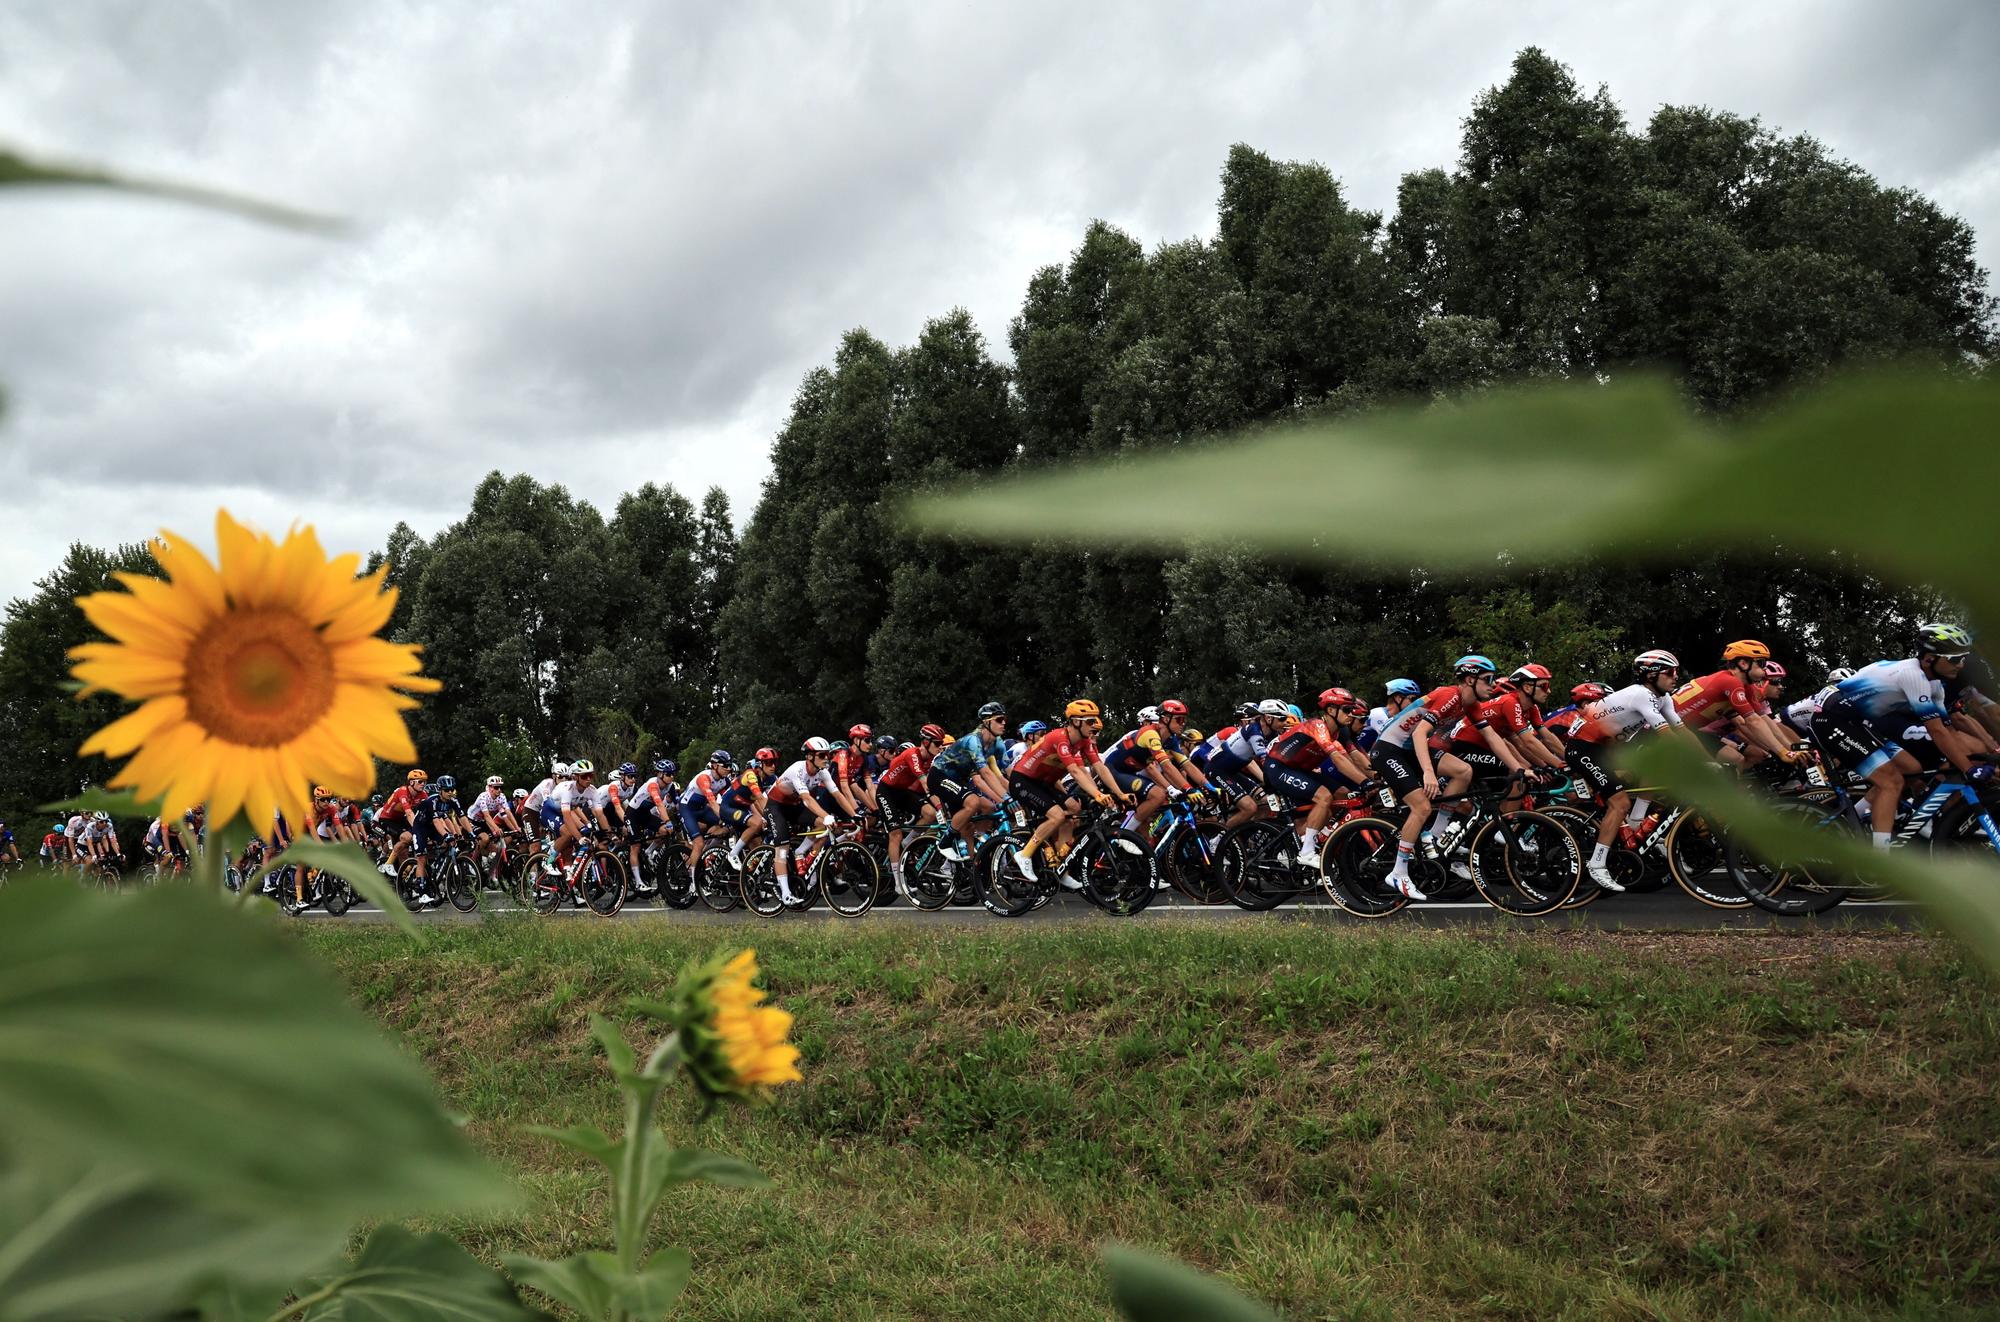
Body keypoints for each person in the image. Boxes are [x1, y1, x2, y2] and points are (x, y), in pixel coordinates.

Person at [1813, 624, 1989, 849]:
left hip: (1859, 721)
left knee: (1911, 768)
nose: (1961, 664)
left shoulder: (1935, 686)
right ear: (1929, 659)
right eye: (1955, 659)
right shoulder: (1912, 675)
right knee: (1891, 782)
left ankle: (1851, 821)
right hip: (1832, 718)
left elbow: (1948, 733)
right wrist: (1969, 769)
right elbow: (1935, 731)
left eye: (1963, 658)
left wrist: (1983, 759)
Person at [1372, 655, 1518, 898]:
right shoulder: (1450, 695)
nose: (1492, 685)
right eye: (1487, 679)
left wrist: (1518, 769)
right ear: (1470, 679)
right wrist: (1428, 772)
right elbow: (1420, 733)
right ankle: (1397, 873)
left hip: (1407, 750)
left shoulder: (1470, 704)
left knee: (1463, 771)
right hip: (1388, 749)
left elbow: (1493, 738)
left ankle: (1439, 837)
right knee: (1421, 807)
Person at [1565, 650, 1699, 891]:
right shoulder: (1640, 695)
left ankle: (1636, 823)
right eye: (1670, 672)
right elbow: (1667, 736)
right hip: (1583, 748)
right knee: (1619, 802)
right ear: (1651, 675)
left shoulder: (1663, 698)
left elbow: (1683, 732)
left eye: (1676, 672)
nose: (1675, 677)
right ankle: (1597, 864)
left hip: (1608, 749)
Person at [1008, 699, 1130, 886]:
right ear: (1076, 722)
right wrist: (1098, 795)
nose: (1093, 726)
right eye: (1090, 721)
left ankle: (1060, 867)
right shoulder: (1060, 738)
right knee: (1057, 816)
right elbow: (1074, 772)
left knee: (1074, 808)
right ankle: (1024, 854)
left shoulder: (1083, 742)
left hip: (1043, 783)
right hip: (1023, 780)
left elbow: (1099, 768)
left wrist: (1119, 794)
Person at [1263, 688, 1375, 867]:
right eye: (1347, 710)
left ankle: (1316, 836)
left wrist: (1373, 779)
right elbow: (1337, 760)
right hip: (1278, 767)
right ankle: (1307, 852)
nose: (1351, 714)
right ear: (1331, 710)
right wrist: (1365, 782)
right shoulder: (1317, 726)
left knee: (1344, 794)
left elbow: (1347, 760)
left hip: (1299, 770)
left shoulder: (1336, 733)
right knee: (1324, 797)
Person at [1671, 640, 1802, 770]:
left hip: (1689, 729)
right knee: (1716, 770)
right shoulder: (1730, 682)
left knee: (1734, 759)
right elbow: (1752, 722)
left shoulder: (1747, 686)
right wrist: (1781, 752)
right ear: (1743, 664)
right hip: (1668, 730)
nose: (1765, 669)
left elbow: (1765, 720)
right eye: (1761, 663)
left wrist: (1790, 749)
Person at [763, 738, 845, 906]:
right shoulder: (797, 770)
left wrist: (856, 814)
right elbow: (807, 799)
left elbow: (837, 794)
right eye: (822, 755)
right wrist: (827, 815)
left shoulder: (823, 772)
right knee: (783, 848)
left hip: (794, 806)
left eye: (828, 755)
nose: (826, 758)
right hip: (776, 805)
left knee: (821, 825)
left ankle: (800, 852)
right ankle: (786, 893)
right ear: (809, 756)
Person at [928, 702, 1012, 861]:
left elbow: (1002, 775)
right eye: (999, 720)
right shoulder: (973, 741)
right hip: (939, 776)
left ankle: (974, 854)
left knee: (989, 807)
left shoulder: (998, 743)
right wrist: (1007, 798)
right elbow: (985, 773)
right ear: (986, 722)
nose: (1004, 723)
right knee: (972, 802)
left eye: (1004, 719)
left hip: (960, 781)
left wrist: (1013, 794)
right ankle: (945, 842)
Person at [877, 724, 947, 875]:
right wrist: (940, 806)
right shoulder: (913, 754)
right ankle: (897, 877)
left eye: (942, 743)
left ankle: (908, 842)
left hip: (902, 792)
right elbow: (925, 783)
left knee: (931, 814)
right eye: (937, 743)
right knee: (895, 834)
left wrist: (940, 808)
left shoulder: (931, 760)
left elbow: (934, 786)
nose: (940, 747)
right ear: (926, 742)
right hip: (886, 791)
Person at [1363, 679, 1423, 751]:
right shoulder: (1380, 714)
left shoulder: (1396, 716)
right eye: (1413, 699)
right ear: (1399, 698)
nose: (1415, 703)